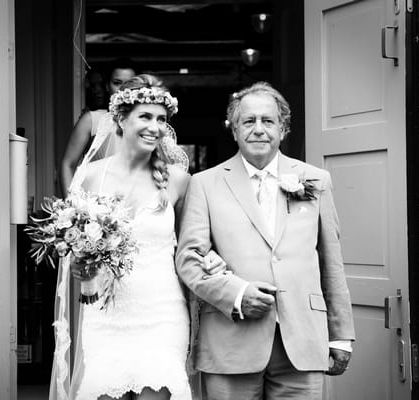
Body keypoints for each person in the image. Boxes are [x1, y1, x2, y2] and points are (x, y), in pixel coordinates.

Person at [175, 82, 355, 399]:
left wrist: (340, 335)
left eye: (268, 121)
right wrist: (237, 293)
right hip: (230, 342)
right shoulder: (204, 184)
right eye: (249, 121)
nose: (258, 129)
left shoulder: (315, 180)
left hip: (303, 341)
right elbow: (189, 258)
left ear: (283, 129)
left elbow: (331, 262)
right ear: (233, 130)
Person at [52, 74, 225, 400]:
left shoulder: (178, 180)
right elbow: (75, 251)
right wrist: (82, 269)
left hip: (162, 314)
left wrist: (212, 259)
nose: (155, 127)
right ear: (120, 119)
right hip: (105, 315)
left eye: (161, 119)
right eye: (145, 116)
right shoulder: (90, 177)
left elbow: (195, 246)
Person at [61, 58, 137, 193]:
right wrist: (71, 207)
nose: (124, 89)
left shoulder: (148, 124)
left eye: (129, 84)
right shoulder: (92, 120)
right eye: (117, 83)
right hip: (100, 203)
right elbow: (68, 164)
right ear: (107, 86)